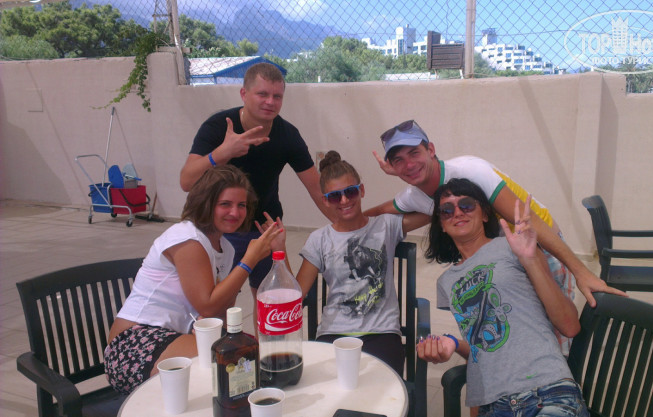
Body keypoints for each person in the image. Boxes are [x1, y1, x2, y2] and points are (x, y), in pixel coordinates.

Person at [366, 120, 624, 309]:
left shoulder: (470, 171)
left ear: (431, 150)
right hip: (501, 259)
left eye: (414, 153)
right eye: (399, 160)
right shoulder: (413, 196)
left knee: (554, 328)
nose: (409, 164)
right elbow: (375, 213)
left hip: (540, 245)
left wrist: (580, 272)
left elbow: (529, 221)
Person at [104, 165, 284, 394]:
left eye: (242, 205)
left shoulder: (225, 248)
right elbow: (207, 305)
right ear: (206, 203)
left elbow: (219, 311)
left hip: (176, 336)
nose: (235, 212)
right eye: (225, 204)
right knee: (236, 364)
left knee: (250, 360)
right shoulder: (187, 238)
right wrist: (249, 260)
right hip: (133, 343)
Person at [180, 62, 333, 329]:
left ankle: (266, 353)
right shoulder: (219, 127)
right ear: (244, 94)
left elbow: (316, 188)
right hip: (220, 230)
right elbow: (186, 181)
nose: (270, 102)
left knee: (272, 302)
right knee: (218, 307)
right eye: (262, 94)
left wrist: (349, 224)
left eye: (277, 96)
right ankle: (221, 353)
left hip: (265, 229)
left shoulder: (288, 135)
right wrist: (223, 153)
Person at [417, 178, 588, 417]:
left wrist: (531, 260)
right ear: (442, 225)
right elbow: (481, 348)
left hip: (545, 391)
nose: (457, 212)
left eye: (466, 205)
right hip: (493, 405)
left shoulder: (513, 247)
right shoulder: (446, 282)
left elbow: (569, 326)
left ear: (485, 214)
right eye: (446, 210)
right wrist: (452, 343)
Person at [280, 151, 428, 375]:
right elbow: (296, 294)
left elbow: (433, 209)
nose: (344, 201)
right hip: (334, 332)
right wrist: (279, 249)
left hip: (381, 332)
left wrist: (400, 178)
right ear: (325, 200)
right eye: (334, 196)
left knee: (380, 388)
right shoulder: (320, 239)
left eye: (350, 192)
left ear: (362, 190)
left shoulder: (385, 226)